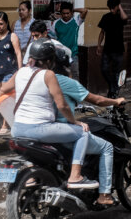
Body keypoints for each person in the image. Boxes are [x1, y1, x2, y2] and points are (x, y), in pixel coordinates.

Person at [0, 41, 97, 191]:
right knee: (83, 133)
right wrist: (74, 122)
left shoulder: (21, 72)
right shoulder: (48, 75)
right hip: (39, 129)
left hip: (17, 129)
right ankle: (75, 176)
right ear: (50, 60)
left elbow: (3, 90)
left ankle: (32, 177)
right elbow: (62, 105)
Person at [52, 67, 126, 207]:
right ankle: (104, 195)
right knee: (106, 147)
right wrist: (116, 101)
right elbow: (97, 100)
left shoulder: (40, 81)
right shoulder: (66, 82)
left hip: (41, 129)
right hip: (63, 131)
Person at [96, 0, 128, 98]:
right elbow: (102, 32)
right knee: (104, 69)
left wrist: (120, 6)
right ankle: (112, 86)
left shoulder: (120, 17)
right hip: (107, 49)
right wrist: (99, 45)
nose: (112, 10)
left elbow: (125, 18)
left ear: (117, 6)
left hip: (118, 49)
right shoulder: (106, 17)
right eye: (110, 8)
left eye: (113, 7)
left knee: (116, 72)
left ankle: (114, 91)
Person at [51, 1, 89, 79]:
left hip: (73, 54)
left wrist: (73, 9)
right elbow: (53, 38)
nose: (66, 15)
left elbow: (85, 10)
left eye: (68, 13)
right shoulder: (56, 23)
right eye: (63, 13)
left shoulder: (77, 21)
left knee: (75, 76)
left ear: (71, 13)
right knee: (61, 76)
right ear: (60, 13)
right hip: (60, 55)